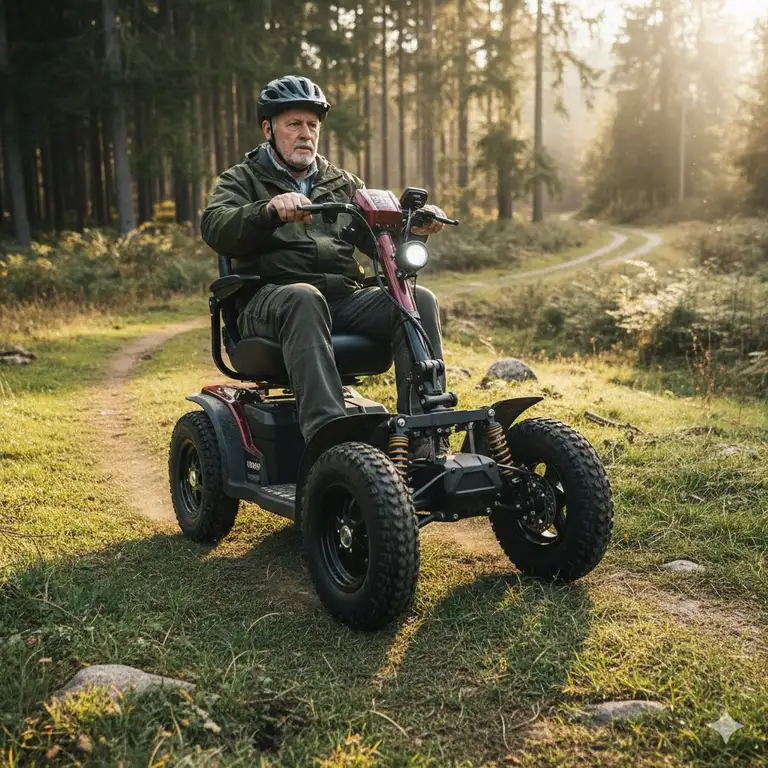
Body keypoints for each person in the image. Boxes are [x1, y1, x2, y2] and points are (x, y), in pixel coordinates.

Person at [200, 75, 449, 457]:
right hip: (269, 303)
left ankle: (423, 438)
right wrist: (268, 211)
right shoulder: (242, 179)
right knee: (304, 297)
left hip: (341, 301)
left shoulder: (343, 183)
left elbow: (378, 241)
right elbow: (215, 225)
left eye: (312, 125)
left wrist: (414, 227)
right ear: (269, 129)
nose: (306, 134)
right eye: (294, 124)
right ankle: (329, 444)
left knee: (420, 299)